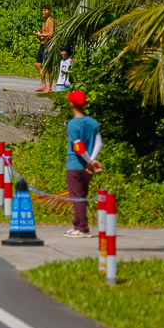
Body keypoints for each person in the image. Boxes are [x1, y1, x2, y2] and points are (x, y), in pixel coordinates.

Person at [64, 90, 103, 238]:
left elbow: (78, 146)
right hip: (87, 167)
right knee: (81, 196)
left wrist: (88, 162)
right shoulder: (93, 122)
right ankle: (77, 225)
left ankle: (82, 228)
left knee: (77, 198)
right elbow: (98, 143)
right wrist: (92, 161)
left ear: (72, 104)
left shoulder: (73, 124)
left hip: (75, 165)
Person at [33, 7, 55, 93]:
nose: (43, 12)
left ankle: (49, 87)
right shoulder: (45, 21)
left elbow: (51, 34)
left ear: (49, 11)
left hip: (48, 45)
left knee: (49, 66)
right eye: (42, 10)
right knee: (38, 65)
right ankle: (43, 85)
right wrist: (39, 36)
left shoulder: (50, 20)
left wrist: (41, 34)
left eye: (45, 10)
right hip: (42, 45)